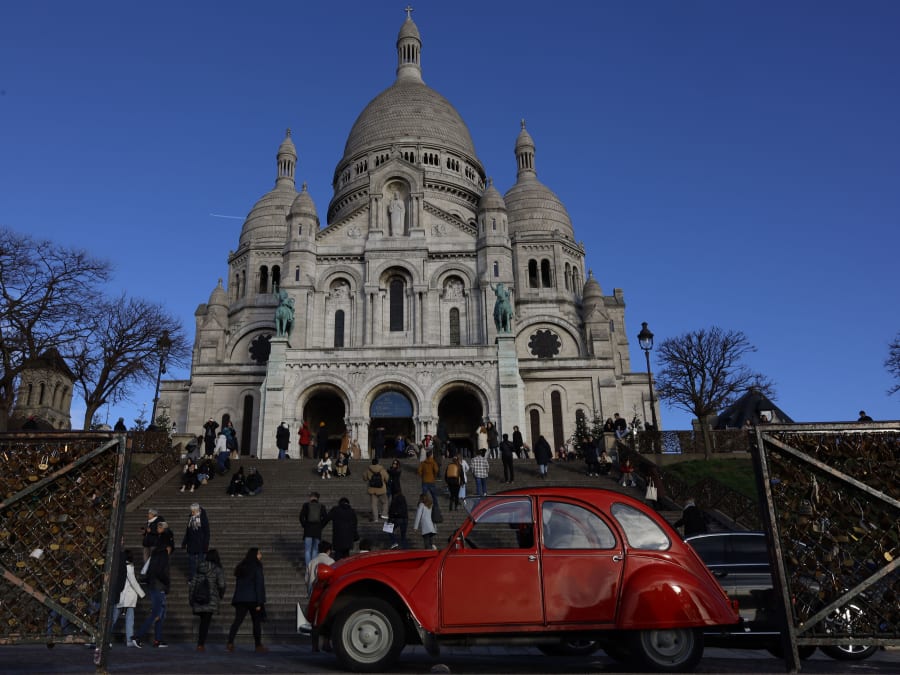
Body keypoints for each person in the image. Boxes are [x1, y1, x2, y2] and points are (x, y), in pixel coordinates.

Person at [134, 522, 172, 648]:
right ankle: (138, 636)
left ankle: (158, 639)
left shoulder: (156, 554)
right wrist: (167, 583)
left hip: (155, 586)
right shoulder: (163, 555)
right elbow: (161, 572)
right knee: (156, 614)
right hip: (159, 587)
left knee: (160, 614)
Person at [226, 548, 267, 653]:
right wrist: (260, 602)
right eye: (259, 553)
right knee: (256, 623)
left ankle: (230, 642)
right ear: (255, 555)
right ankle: (258, 645)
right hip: (253, 599)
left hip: (240, 598)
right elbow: (259, 585)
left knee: (237, 621)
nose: (260, 555)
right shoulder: (257, 567)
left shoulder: (241, 566)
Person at [189, 549, 226, 652]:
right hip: (210, 600)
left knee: (202, 622)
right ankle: (200, 644)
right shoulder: (217, 569)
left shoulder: (199, 568)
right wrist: (220, 595)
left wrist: (191, 598)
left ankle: (200, 644)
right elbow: (222, 585)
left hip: (198, 598)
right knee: (205, 623)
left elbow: (193, 584)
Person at [111, 549, 144, 648]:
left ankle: (128, 639)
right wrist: (142, 593)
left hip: (123, 596)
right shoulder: (129, 567)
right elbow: (133, 582)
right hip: (127, 597)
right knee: (126, 619)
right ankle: (129, 639)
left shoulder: (121, 566)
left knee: (115, 617)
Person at [181, 503, 210, 580]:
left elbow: (207, 533)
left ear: (197, 510)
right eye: (191, 511)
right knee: (192, 563)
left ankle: (201, 578)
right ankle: (193, 578)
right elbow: (188, 532)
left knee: (201, 562)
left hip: (201, 544)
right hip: (191, 544)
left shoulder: (203, 519)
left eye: (193, 511)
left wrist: (206, 544)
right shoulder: (191, 518)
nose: (192, 513)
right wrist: (184, 542)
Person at [324, 496, 358, 561]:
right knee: (346, 556)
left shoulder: (335, 510)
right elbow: (355, 525)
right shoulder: (352, 512)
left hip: (338, 538)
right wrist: (355, 536)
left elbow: (327, 518)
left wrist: (320, 526)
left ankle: (337, 570)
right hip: (348, 539)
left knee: (337, 556)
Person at [299, 491, 327, 568]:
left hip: (308, 529)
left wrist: (305, 525)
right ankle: (314, 567)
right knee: (315, 550)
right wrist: (321, 526)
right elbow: (325, 518)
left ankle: (308, 567)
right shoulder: (321, 506)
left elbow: (301, 517)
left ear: (311, 497)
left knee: (307, 550)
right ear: (318, 498)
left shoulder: (306, 505)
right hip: (317, 530)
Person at [416, 450, 443, 523]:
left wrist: (423, 475)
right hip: (431, 481)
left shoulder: (423, 463)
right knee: (434, 496)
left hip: (424, 481)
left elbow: (419, 471)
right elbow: (436, 470)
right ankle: (436, 508)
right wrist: (433, 475)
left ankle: (422, 507)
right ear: (431, 455)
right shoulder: (433, 462)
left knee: (424, 495)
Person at [363, 457, 390, 522]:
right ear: (378, 463)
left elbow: (364, 478)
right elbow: (387, 479)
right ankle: (384, 513)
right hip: (381, 489)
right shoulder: (382, 470)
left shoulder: (368, 470)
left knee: (374, 504)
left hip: (372, 490)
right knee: (385, 502)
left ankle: (375, 518)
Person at [387, 485, 409, 550]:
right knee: (403, 536)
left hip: (397, 518)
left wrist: (390, 519)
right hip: (405, 518)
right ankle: (405, 549)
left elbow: (392, 510)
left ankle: (394, 542)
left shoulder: (395, 498)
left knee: (388, 530)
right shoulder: (403, 498)